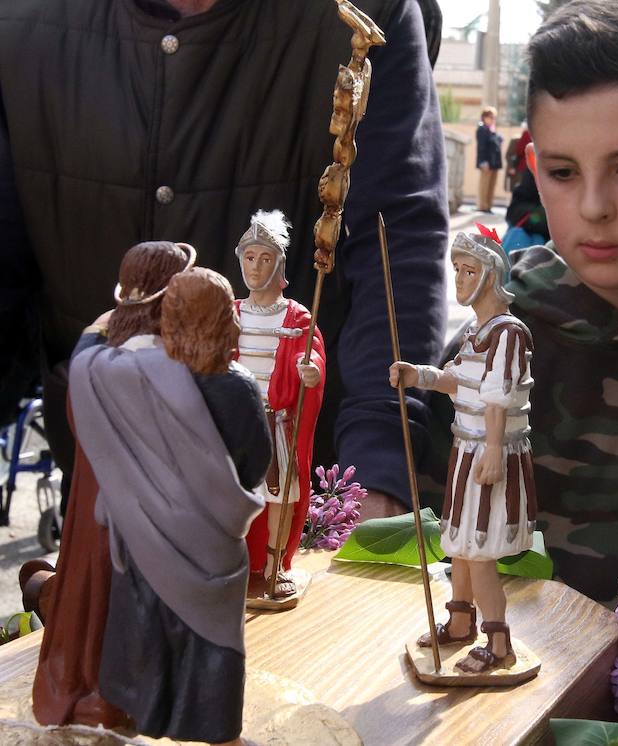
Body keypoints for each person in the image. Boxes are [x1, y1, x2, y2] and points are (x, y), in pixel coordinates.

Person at [0, 0, 448, 518]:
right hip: (102, 484)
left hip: (301, 494)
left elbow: (397, 241)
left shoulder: (367, 15)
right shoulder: (19, 17)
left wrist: (377, 467)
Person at [70, 266, 268, 745]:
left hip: (143, 530)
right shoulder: (238, 385)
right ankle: (217, 731)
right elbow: (256, 461)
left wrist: (98, 327)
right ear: (223, 321)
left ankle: (145, 712)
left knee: (146, 623)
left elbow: (83, 367)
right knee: (212, 639)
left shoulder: (136, 374)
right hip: (212, 539)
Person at [31, 241, 197, 729]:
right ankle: (112, 691)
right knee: (117, 587)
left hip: (103, 492)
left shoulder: (100, 342)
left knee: (106, 585)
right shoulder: (156, 353)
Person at [391, 227, 536, 674]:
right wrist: (419, 375)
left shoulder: (508, 333)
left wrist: (492, 449)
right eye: (456, 269)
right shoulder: (477, 331)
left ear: (490, 275)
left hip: (491, 453)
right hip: (466, 449)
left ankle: (499, 644)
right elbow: (457, 379)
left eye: (469, 270)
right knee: (458, 543)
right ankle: (459, 623)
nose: (459, 278)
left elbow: (497, 397)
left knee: (479, 551)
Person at [233, 209, 326, 597]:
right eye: (249, 257)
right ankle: (234, 563)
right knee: (232, 495)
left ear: (279, 264)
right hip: (234, 424)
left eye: (264, 258)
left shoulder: (296, 316)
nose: (255, 267)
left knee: (281, 496)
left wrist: (311, 370)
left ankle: (273, 565)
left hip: (276, 423)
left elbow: (311, 350)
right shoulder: (232, 312)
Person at [476, 106, 504, 213]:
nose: (493, 119)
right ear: (485, 117)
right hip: (486, 162)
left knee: (491, 185)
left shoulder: (491, 129)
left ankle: (488, 206)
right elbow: (481, 147)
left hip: (494, 162)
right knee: (484, 185)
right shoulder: (482, 129)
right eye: (491, 117)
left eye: (494, 117)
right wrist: (483, 161)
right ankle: (482, 206)